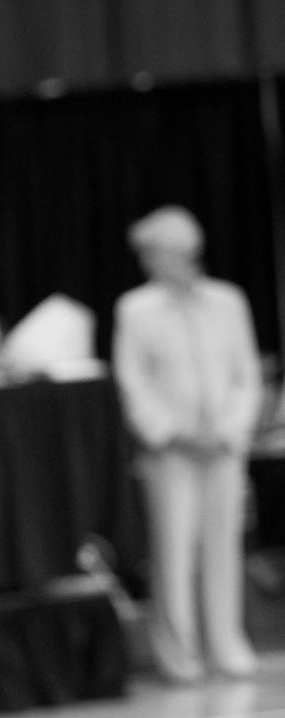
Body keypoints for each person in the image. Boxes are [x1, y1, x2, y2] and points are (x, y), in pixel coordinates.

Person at [113, 205, 264, 683]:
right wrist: (172, 432)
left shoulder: (227, 301)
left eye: (155, 252)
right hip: (170, 452)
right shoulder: (135, 309)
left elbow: (246, 376)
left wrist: (229, 430)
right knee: (173, 550)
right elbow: (132, 383)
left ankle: (227, 644)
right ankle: (179, 654)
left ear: (184, 252)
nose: (148, 262)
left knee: (224, 547)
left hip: (223, 447)